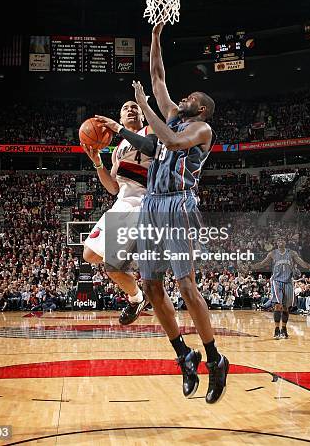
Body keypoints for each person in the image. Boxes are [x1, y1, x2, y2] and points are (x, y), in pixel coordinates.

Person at [97, 23, 229, 404]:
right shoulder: (170, 115)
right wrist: (154, 39)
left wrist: (143, 108)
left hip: (178, 204)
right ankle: (183, 354)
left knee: (185, 285)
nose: (180, 98)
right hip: (152, 204)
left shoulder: (201, 129)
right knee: (152, 286)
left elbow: (169, 141)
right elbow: (158, 76)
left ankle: (215, 358)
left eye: (188, 97)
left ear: (200, 107)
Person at [82, 100, 155, 325]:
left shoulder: (151, 130)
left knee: (113, 265)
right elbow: (113, 187)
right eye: (125, 108)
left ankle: (137, 297)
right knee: (90, 255)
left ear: (142, 114)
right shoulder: (118, 150)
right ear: (120, 117)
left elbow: (150, 148)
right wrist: (97, 162)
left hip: (142, 204)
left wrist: (116, 128)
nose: (131, 110)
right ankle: (138, 298)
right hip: (122, 204)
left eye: (135, 107)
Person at [253, 238, 310, 339]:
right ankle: (276, 330)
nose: (280, 241)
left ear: (285, 242)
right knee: (277, 306)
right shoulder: (272, 253)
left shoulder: (292, 253)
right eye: (278, 240)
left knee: (285, 307)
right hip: (276, 281)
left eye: (282, 240)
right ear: (276, 243)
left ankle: (284, 329)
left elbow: (301, 262)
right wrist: (252, 267)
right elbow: (262, 263)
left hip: (288, 282)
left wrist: (308, 266)